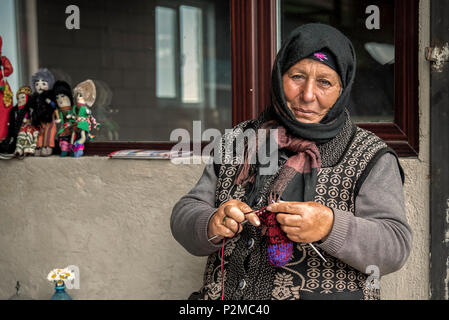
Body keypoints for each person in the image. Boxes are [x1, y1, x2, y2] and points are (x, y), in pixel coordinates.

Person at [171, 23, 412, 300]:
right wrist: (211, 222)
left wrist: (330, 226)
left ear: (342, 88)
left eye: (324, 82)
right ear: (278, 76)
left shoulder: (369, 156)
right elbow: (185, 212)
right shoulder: (240, 140)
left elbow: (395, 246)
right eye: (297, 76)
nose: (308, 95)